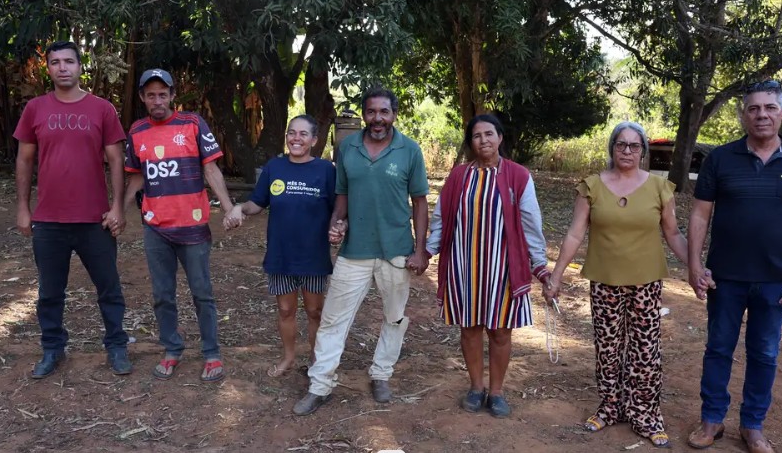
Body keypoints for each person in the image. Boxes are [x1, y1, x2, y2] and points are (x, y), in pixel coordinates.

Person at [685, 80, 782, 453]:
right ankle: (712, 420)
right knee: (718, 349)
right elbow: (700, 215)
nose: (761, 114)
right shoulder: (719, 158)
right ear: (743, 114)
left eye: (769, 107)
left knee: (764, 353)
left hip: (777, 281)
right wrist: (694, 264)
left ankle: (753, 425)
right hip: (725, 278)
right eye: (753, 108)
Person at [545, 121, 687, 448]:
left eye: (633, 146)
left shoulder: (658, 188)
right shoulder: (592, 187)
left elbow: (673, 234)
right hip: (605, 281)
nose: (626, 151)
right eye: (620, 144)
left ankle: (646, 415)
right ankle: (610, 407)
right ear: (611, 148)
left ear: (643, 151)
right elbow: (575, 234)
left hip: (646, 282)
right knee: (608, 349)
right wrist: (556, 275)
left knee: (645, 350)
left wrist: (696, 266)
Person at [292, 86, 429, 416]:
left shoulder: (409, 150)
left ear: (394, 114)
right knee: (333, 320)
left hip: (396, 250)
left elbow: (420, 203)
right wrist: (337, 223)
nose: (377, 118)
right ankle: (320, 384)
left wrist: (421, 250)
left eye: (384, 112)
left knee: (394, 318)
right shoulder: (348, 146)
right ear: (364, 114)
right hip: (355, 250)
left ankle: (381, 374)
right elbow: (342, 194)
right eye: (371, 112)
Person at [14, 40, 132, 379]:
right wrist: (23, 208)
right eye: (55, 62)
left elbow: (115, 160)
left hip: (94, 220)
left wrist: (117, 208)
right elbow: (24, 160)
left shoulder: (102, 109)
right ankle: (52, 349)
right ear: (47, 68)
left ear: (81, 67)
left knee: (108, 287)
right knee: (49, 292)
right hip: (49, 220)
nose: (62, 67)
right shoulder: (36, 109)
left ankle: (116, 346)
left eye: (69, 61)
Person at [426, 114, 551, 418]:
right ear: (471, 142)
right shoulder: (458, 176)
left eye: (489, 134)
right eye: (477, 135)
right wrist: (428, 250)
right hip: (463, 267)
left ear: (500, 138)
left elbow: (531, 224)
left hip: (503, 269)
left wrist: (541, 266)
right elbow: (442, 217)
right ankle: (475, 387)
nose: (483, 140)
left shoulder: (518, 176)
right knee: (469, 329)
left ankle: (496, 392)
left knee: (499, 332)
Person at [123, 69, 238, 383]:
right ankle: (172, 349)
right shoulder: (137, 131)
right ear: (143, 98)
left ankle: (212, 354)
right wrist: (118, 212)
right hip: (156, 228)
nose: (157, 100)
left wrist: (229, 208)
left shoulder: (192, 124)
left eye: (163, 94)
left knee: (202, 293)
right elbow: (136, 176)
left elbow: (211, 168)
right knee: (163, 294)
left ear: (173, 95)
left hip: (193, 226)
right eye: (151, 95)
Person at [230, 115, 336, 377]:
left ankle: (315, 361)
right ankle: (288, 358)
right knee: (286, 310)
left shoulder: (326, 170)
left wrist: (341, 226)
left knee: (315, 311)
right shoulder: (274, 167)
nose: (296, 138)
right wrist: (239, 208)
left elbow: (338, 210)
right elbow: (257, 203)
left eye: (303, 134)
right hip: (281, 254)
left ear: (314, 140)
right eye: (292, 133)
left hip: (313, 255)